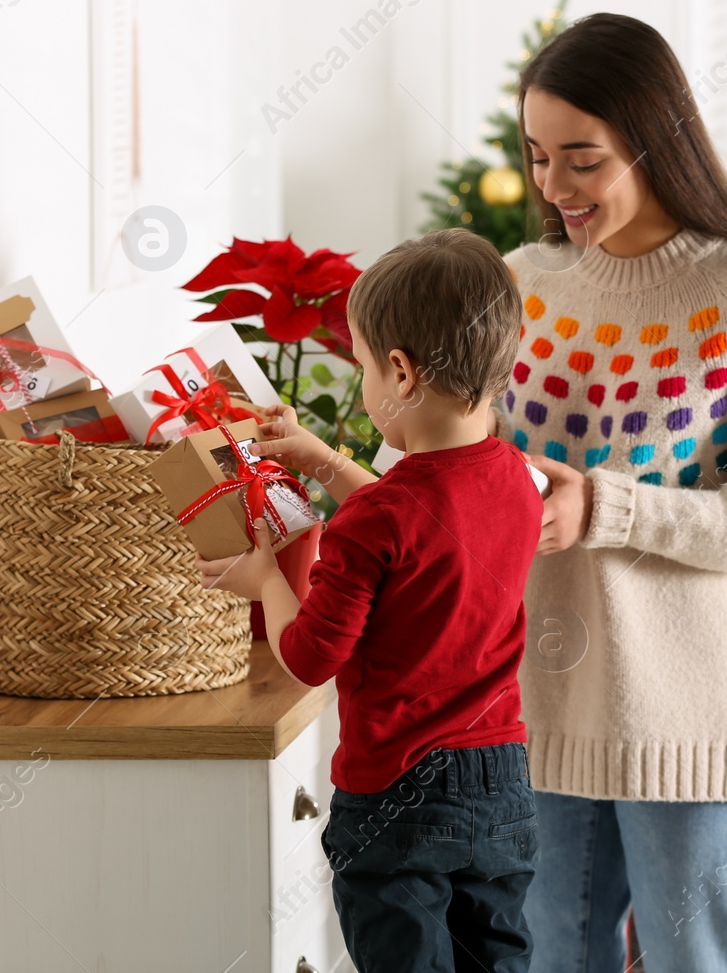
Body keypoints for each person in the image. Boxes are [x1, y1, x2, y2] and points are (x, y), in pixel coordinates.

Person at [499, 13, 727, 971]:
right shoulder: (519, 286)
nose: (553, 188)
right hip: (542, 712)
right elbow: (469, 476)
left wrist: (607, 508)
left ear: (654, 142)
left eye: (582, 160)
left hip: (698, 722)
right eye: (536, 157)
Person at [198, 227, 546, 973]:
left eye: (359, 365)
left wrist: (264, 579)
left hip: (399, 793)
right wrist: (326, 461)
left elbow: (311, 656)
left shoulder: (374, 521)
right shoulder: (514, 477)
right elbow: (424, 522)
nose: (361, 383)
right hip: (501, 781)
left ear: (400, 371)